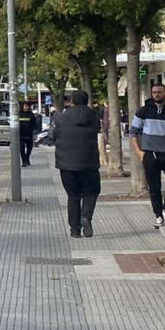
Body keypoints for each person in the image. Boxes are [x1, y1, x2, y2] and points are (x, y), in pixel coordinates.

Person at [131, 81, 165, 230]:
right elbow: (133, 133)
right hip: (150, 154)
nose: (157, 95)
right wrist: (139, 153)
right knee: (154, 187)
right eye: (154, 92)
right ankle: (158, 215)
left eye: (159, 92)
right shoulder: (143, 112)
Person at [54, 90, 101, 238]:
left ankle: (75, 230)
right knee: (91, 192)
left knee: (73, 196)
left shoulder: (60, 118)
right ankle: (86, 216)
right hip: (89, 162)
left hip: (66, 163)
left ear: (71, 102)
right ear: (87, 101)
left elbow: (53, 136)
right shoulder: (93, 116)